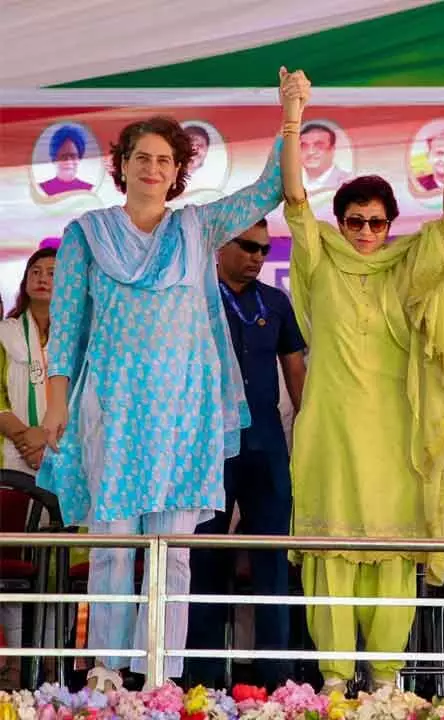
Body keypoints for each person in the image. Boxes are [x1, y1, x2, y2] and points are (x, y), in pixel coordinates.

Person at [35, 68, 302, 692]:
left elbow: (268, 189)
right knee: (113, 548)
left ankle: (162, 676)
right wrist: (55, 406)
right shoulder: (86, 235)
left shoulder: (197, 228)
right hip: (112, 410)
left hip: (183, 416)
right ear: (121, 165)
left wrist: (290, 113)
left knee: (174, 552)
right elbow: (66, 329)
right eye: (141, 157)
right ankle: (104, 670)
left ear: (177, 171)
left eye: (165, 159)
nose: (153, 168)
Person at [283, 81, 444, 694]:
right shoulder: (319, 261)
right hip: (332, 433)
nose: (364, 231)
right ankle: (336, 680)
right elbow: (293, 196)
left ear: (391, 224)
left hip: (395, 436)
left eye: (375, 222)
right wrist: (293, 116)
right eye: (353, 221)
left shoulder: (405, 266)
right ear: (339, 222)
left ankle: (387, 680)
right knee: (332, 558)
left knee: (393, 559)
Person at [185, 219, 306, 690]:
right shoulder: (194, 299)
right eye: (249, 247)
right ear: (220, 247)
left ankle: (278, 679)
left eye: (265, 249)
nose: (258, 257)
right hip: (208, 449)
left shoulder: (275, 302)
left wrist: (309, 438)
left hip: (268, 448)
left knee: (272, 560)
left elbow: (297, 376)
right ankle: (203, 678)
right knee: (205, 561)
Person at [0, 248, 56, 671]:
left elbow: (86, 396)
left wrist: (47, 438)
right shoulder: (3, 333)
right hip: (11, 456)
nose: (42, 278)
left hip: (63, 455)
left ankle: (54, 664)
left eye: (53, 273)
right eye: (35, 271)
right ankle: (17, 664)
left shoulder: (82, 334)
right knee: (14, 562)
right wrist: (25, 437)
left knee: (55, 562)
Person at [40, 126, 94, 196]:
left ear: (79, 158)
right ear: (54, 159)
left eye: (73, 156)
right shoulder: (41, 190)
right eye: (63, 156)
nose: (68, 161)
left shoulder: (90, 190)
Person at [299, 123, 352, 193]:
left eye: (319, 145)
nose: (310, 152)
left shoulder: (349, 184)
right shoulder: (289, 184)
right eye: (304, 146)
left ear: (332, 150)